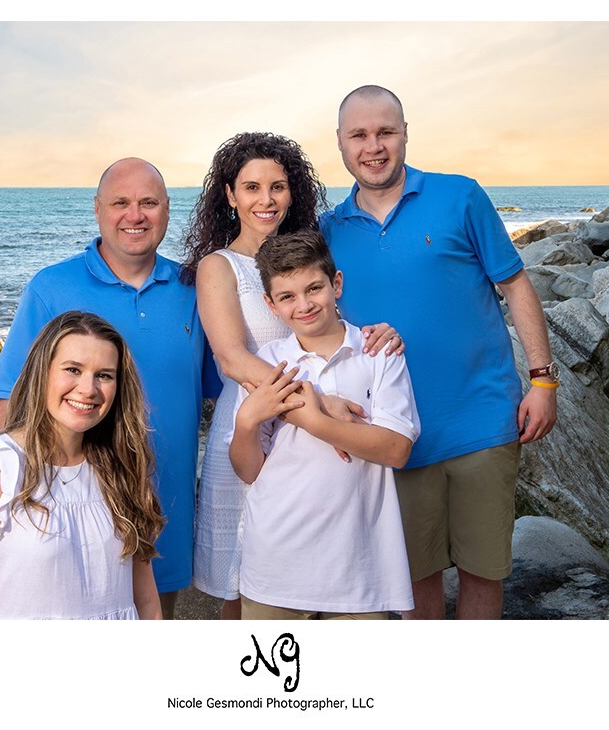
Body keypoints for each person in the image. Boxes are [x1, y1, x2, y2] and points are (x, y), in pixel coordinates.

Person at [322, 85, 558, 620]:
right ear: (340, 143)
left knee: (483, 573)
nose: (373, 146)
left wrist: (543, 380)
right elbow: (314, 323)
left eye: (385, 131)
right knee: (413, 584)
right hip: (394, 433)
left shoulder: (460, 196)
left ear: (405, 133)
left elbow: (516, 286)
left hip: (481, 420)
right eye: (359, 135)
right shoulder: (327, 230)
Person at [182, 133, 403, 619]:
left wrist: (381, 331)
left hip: (320, 438)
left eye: (278, 187)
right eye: (252, 187)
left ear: (293, 191)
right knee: (241, 586)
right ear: (230, 195)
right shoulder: (219, 267)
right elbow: (233, 360)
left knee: (324, 568)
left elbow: (332, 325)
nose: (266, 200)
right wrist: (317, 402)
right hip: (252, 425)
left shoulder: (306, 256)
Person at [0, 158, 213, 619]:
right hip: (67, 512)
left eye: (149, 203)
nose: (135, 215)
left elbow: (226, 385)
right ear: (97, 209)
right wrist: (20, 502)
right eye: (120, 203)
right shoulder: (51, 288)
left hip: (161, 509)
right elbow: (10, 402)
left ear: (167, 210)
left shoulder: (195, 289)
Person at [229, 230, 418, 619]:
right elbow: (249, 470)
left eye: (314, 288)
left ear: (336, 284)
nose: (304, 304)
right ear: (271, 304)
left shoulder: (378, 352)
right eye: (287, 297)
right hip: (275, 562)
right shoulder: (269, 361)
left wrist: (314, 421)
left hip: (358, 567)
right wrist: (248, 421)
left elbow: (396, 449)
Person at [0, 311, 164, 619]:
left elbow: (146, 600)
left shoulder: (119, 466)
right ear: (41, 372)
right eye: (73, 369)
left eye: (104, 375)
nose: (88, 389)